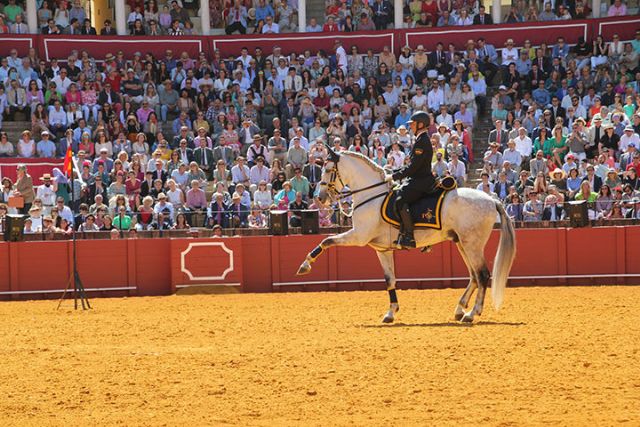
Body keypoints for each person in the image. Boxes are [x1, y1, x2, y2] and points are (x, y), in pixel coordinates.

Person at [384, 111, 436, 249]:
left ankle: (409, 236)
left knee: (400, 201)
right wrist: (394, 172)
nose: (410, 126)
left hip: (421, 181)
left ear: (421, 124)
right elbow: (411, 166)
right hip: (418, 179)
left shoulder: (421, 142)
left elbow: (413, 168)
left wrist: (394, 176)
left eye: (413, 124)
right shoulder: (420, 139)